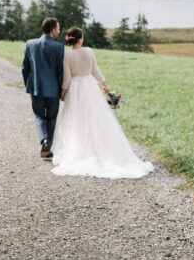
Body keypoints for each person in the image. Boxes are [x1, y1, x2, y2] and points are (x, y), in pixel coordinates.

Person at [51, 27, 155, 179]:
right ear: (81, 39)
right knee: (95, 118)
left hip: (75, 90)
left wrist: (62, 92)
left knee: (76, 119)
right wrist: (105, 85)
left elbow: (67, 79)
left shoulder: (66, 56)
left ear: (70, 40)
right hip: (89, 87)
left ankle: (80, 149)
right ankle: (99, 148)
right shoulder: (89, 51)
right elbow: (95, 71)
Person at [21, 17, 64, 160]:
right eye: (58, 29)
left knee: (39, 116)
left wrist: (28, 84)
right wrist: (61, 90)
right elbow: (60, 72)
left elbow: (24, 68)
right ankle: (46, 149)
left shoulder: (30, 44)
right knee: (51, 119)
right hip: (53, 90)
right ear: (53, 30)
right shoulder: (59, 48)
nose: (59, 31)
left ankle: (44, 140)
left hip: (36, 88)